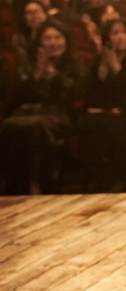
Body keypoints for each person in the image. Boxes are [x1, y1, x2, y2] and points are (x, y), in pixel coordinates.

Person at [0, 20, 86, 193]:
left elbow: (74, 95)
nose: (53, 43)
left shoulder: (75, 63)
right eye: (47, 38)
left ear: (66, 40)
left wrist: (53, 75)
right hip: (27, 112)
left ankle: (37, 182)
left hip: (59, 115)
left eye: (57, 37)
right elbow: (17, 97)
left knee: (36, 125)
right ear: (40, 41)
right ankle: (12, 183)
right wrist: (38, 73)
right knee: (12, 124)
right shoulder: (29, 63)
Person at [79, 18, 126, 191]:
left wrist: (115, 67)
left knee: (111, 121)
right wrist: (101, 75)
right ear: (108, 38)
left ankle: (122, 177)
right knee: (90, 121)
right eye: (115, 33)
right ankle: (95, 179)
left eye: (124, 32)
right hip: (106, 112)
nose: (120, 37)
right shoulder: (100, 61)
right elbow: (89, 94)